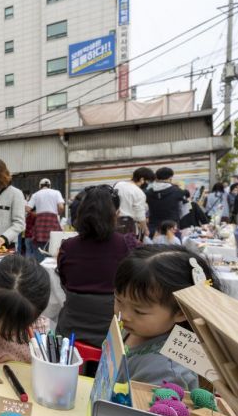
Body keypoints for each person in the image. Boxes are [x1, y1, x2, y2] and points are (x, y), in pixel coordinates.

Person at [114, 245, 220, 390]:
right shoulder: (132, 328)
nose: (124, 315)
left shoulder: (167, 373)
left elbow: (143, 412)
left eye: (139, 311)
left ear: (181, 312)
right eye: (118, 300)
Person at [56, 185, 134, 347]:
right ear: (116, 213)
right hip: (114, 331)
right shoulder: (128, 244)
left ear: (81, 213)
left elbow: (64, 281)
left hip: (71, 330)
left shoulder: (67, 247)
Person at [26, 178, 65, 259]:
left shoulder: (35, 194)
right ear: (50, 186)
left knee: (39, 248)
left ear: (40, 186)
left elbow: (27, 209)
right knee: (54, 244)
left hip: (40, 223)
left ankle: (40, 266)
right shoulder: (56, 192)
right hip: (53, 221)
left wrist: (36, 214)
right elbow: (61, 207)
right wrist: (57, 213)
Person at [146, 167, 188, 237]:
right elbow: (184, 210)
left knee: (154, 247)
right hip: (172, 228)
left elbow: (145, 210)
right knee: (174, 247)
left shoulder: (148, 192)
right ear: (170, 177)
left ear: (157, 177)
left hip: (153, 228)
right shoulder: (177, 191)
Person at [114, 167, 155, 237]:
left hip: (114, 221)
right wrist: (145, 229)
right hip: (128, 224)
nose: (148, 185)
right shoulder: (140, 193)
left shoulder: (119, 184)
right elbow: (140, 216)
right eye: (148, 182)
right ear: (142, 179)